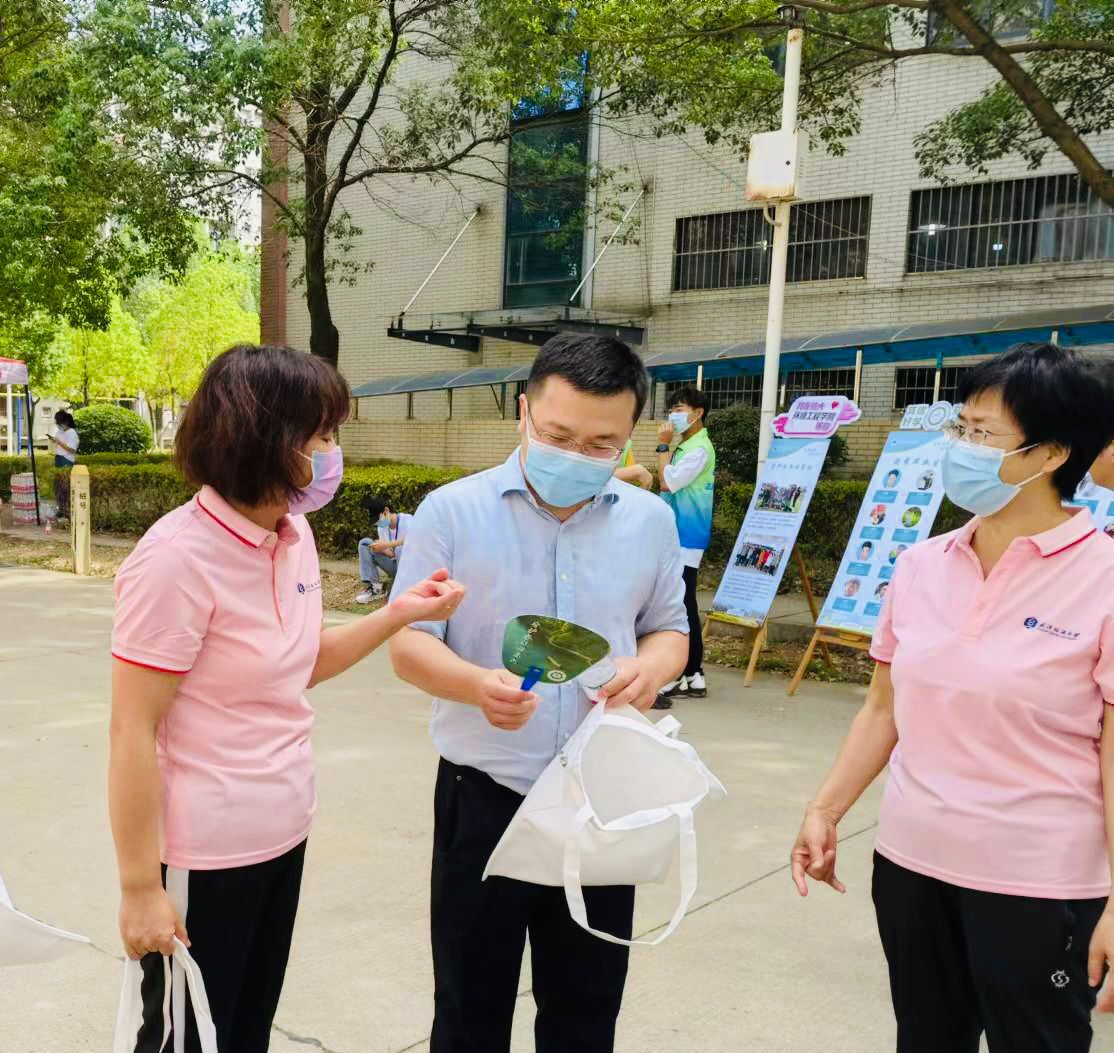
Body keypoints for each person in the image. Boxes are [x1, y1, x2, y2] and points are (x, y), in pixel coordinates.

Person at [109, 344, 464, 1052]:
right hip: (204, 853)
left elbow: (298, 663)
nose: (334, 453)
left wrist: (398, 612)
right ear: (263, 439)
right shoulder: (175, 559)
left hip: (282, 829)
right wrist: (140, 886)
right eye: (322, 436)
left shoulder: (291, 533)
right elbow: (132, 730)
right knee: (188, 1037)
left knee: (246, 1029)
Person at [790, 343, 1114, 1053]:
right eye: (958, 427)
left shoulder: (1105, 577)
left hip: (1041, 885)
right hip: (911, 865)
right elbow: (883, 708)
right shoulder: (921, 564)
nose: (959, 447)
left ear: (1051, 453)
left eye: (981, 433)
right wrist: (825, 810)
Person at [388, 332, 688, 1053]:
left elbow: (669, 629)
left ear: (630, 433)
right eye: (558, 435)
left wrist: (650, 671)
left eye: (601, 443)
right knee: (469, 1006)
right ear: (523, 412)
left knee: (587, 1005)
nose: (577, 454)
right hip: (484, 793)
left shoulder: (650, 521)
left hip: (599, 793)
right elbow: (407, 643)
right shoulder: (451, 513)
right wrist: (474, 684)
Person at [655, 385, 715, 705]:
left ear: (698, 412)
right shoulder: (688, 445)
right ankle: (693, 674)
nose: (673, 415)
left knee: (682, 605)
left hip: (687, 537)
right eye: (672, 408)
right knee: (683, 602)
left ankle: (685, 672)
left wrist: (662, 446)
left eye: (680, 408)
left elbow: (668, 482)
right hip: (676, 535)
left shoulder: (699, 448)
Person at [357, 496, 413, 602]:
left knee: (400, 549)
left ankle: (401, 586)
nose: (378, 523)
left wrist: (386, 544)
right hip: (395, 565)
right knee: (365, 543)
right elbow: (392, 554)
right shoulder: (382, 528)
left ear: (386, 511)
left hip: (409, 568)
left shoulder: (408, 520)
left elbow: (415, 540)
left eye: (378, 519)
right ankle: (375, 588)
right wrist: (381, 548)